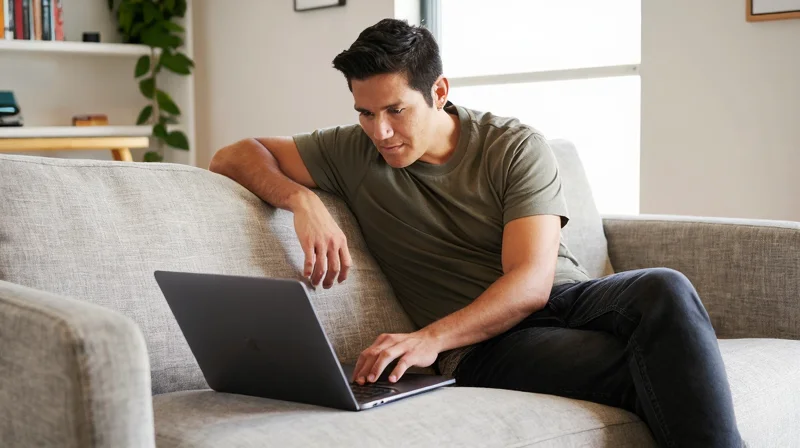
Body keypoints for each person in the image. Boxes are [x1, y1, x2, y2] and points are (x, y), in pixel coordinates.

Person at [209, 18, 743, 448]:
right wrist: (301, 199)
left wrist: (425, 340)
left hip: (563, 299)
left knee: (665, 287)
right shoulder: (351, 149)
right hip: (489, 348)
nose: (382, 132)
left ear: (438, 91)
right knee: (659, 371)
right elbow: (233, 154)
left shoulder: (512, 146)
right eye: (365, 114)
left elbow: (533, 284)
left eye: (396, 110)